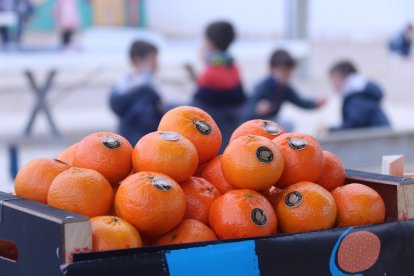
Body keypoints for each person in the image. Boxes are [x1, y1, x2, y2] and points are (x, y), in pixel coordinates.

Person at [193, 21, 246, 149]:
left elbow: (198, 100)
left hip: (211, 129)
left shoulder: (210, 71)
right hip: (231, 125)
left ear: (210, 42)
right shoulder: (233, 66)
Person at [246, 49, 325, 130]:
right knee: (285, 125)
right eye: (283, 72)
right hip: (256, 125)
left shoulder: (285, 88)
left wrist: (315, 104)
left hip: (272, 122)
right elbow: (246, 109)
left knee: (288, 124)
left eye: (289, 73)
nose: (286, 76)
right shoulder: (263, 86)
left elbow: (300, 101)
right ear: (272, 69)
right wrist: (257, 109)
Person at [109, 40, 163, 146]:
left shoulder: (123, 84)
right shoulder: (145, 91)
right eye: (153, 60)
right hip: (143, 143)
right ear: (137, 60)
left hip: (124, 138)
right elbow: (148, 121)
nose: (156, 64)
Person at [328, 60, 390, 131]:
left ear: (344, 77)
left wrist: (329, 130)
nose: (333, 84)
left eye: (334, 79)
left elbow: (352, 128)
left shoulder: (357, 98)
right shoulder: (360, 93)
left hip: (377, 140)